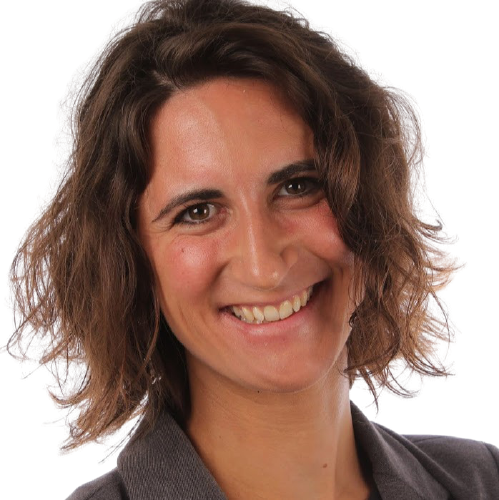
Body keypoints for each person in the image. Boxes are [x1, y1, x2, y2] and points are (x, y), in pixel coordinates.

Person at [16, 0, 498, 499]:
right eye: (198, 212)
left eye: (297, 186)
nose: (265, 267)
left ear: (365, 199)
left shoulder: (482, 480)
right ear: (131, 262)